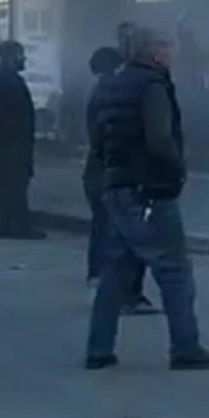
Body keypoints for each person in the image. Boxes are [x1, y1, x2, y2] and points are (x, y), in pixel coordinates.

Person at [84, 26, 209, 372]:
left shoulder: (112, 83)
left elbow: (97, 136)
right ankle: (186, 346)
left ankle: (99, 349)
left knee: (115, 273)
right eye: (168, 47)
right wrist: (177, 169)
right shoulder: (153, 85)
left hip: (117, 186)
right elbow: (160, 137)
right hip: (149, 190)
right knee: (174, 271)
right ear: (155, 51)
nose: (173, 53)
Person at [84, 47, 154, 314]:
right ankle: (120, 292)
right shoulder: (113, 93)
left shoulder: (100, 92)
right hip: (113, 171)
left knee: (104, 226)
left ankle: (100, 279)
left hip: (99, 170)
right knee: (122, 233)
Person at [0, 40, 45, 240]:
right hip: (13, 143)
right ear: (10, 57)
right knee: (16, 184)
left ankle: (3, 224)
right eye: (20, 55)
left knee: (8, 184)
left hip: (8, 143)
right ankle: (20, 226)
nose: (24, 59)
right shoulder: (9, 80)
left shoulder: (1, 79)